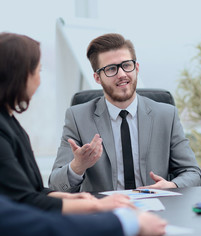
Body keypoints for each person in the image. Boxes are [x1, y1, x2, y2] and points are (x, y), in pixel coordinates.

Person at [0, 32, 139, 214]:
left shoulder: (10, 123)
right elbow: (25, 201)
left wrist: (73, 197)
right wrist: (97, 204)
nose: (39, 79)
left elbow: (34, 190)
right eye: (38, 71)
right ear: (20, 76)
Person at [49, 33, 201, 193]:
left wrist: (171, 186)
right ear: (97, 78)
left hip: (156, 210)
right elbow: (55, 186)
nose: (122, 74)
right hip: (105, 213)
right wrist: (77, 167)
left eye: (127, 65)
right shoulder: (78, 117)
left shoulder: (166, 115)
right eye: (111, 69)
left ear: (136, 68)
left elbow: (193, 174)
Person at [0, 194, 166, 236]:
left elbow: (27, 190)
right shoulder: (77, 116)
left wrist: (57, 196)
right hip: (99, 215)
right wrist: (126, 221)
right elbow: (36, 228)